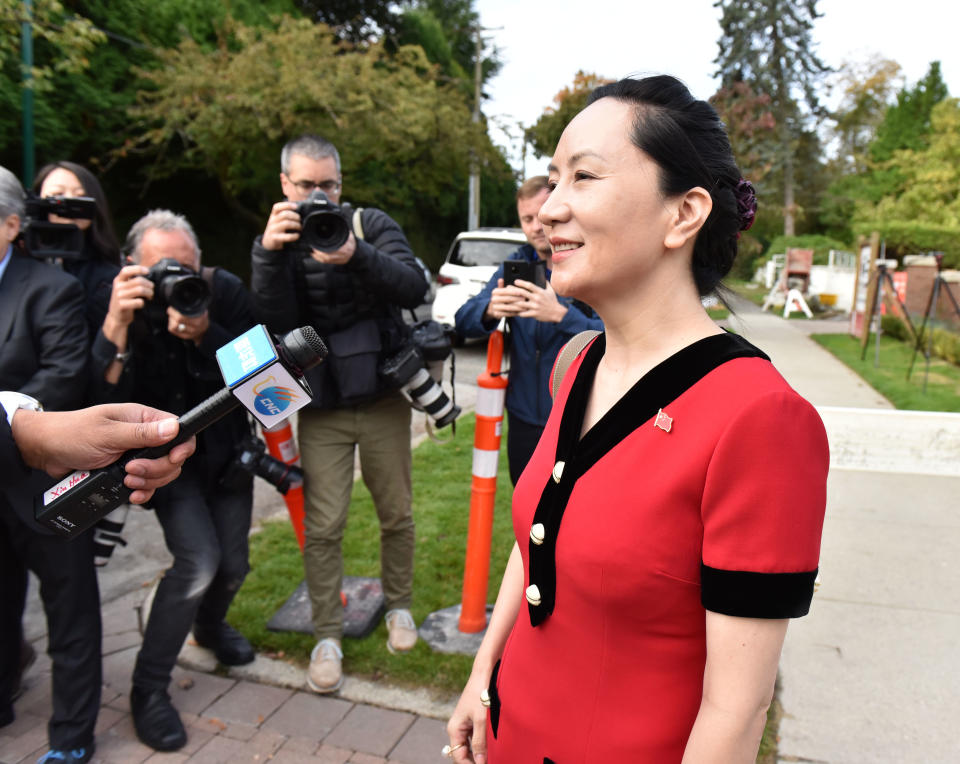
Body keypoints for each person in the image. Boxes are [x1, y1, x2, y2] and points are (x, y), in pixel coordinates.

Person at [445, 75, 829, 763]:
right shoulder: (575, 363)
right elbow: (536, 543)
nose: (550, 209)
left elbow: (737, 711)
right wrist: (482, 674)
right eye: (552, 180)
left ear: (683, 214)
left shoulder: (761, 418)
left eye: (583, 177)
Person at [251, 134, 429, 693]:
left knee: (396, 511)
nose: (318, 197)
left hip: (380, 395)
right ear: (286, 186)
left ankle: (398, 605)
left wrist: (356, 253)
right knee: (324, 525)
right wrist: (268, 255)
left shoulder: (369, 224)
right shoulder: (278, 238)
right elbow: (274, 319)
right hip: (322, 405)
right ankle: (328, 633)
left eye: (327, 184)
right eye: (306, 185)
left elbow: (413, 284)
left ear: (340, 183)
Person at [99, 210, 257, 752]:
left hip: (228, 453)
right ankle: (148, 690)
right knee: (199, 563)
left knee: (235, 563)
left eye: (184, 267)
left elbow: (265, 380)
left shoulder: (221, 291)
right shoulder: (122, 305)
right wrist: (118, 325)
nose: (177, 280)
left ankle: (209, 628)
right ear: (132, 268)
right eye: (162, 269)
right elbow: (95, 398)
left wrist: (206, 332)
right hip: (167, 463)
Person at [0, 164, 99, 764]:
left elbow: (62, 380)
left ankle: (71, 737)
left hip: (44, 484)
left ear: (13, 224)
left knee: (70, 611)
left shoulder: (52, 289)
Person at [455, 176, 603, 485]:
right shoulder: (517, 265)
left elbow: (614, 335)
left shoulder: (590, 265)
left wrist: (561, 315)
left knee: (569, 516)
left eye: (541, 214)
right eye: (526, 219)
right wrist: (490, 308)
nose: (536, 226)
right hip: (522, 416)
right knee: (524, 506)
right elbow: (462, 319)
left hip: (575, 416)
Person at [32, 161, 123, 392]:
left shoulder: (110, 277)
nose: (69, 203)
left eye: (80, 195)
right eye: (57, 195)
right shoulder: (20, 265)